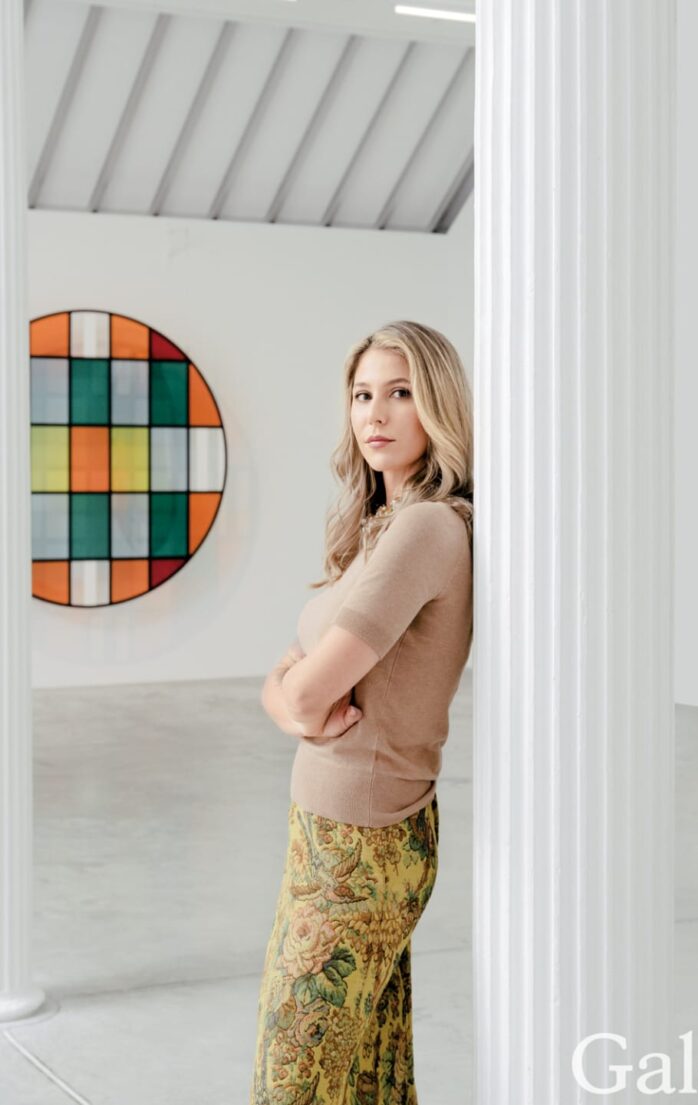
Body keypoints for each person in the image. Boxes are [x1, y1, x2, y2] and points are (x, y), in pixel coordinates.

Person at [250, 320, 473, 1105]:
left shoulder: (423, 529)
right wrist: (286, 702)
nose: (376, 412)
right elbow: (292, 680)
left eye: (402, 392)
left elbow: (305, 687)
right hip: (328, 832)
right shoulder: (378, 526)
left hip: (363, 844)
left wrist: (288, 698)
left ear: (438, 405)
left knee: (296, 1085)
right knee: (366, 1081)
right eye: (363, 393)